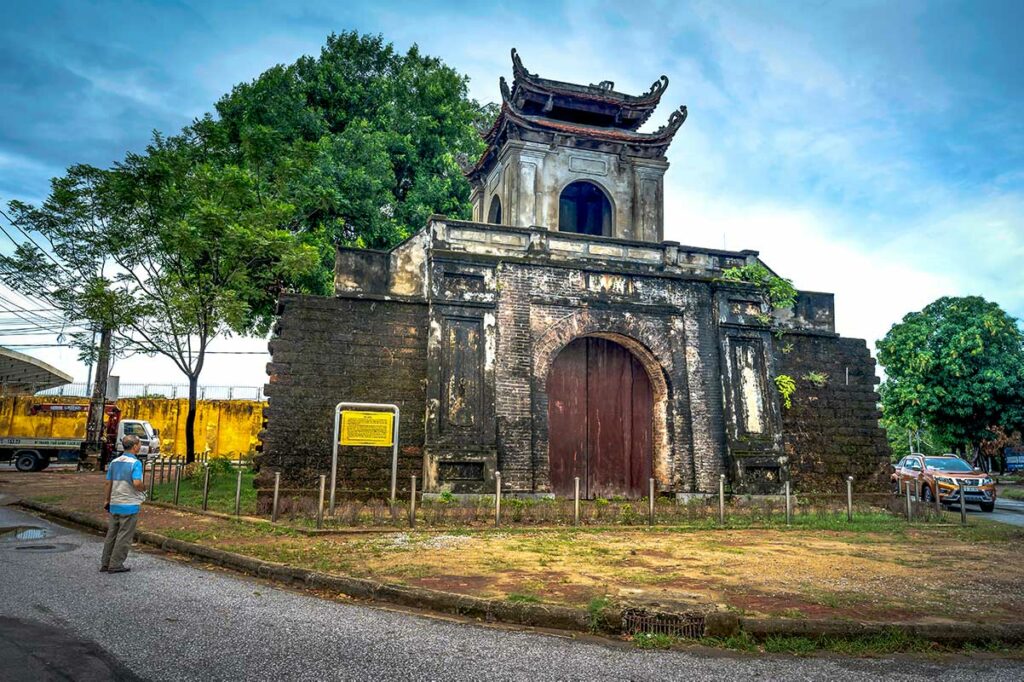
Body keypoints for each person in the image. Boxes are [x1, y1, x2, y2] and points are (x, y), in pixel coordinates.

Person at [101, 434, 147, 573]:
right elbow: (137, 482)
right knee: (124, 536)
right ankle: (116, 564)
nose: (140, 446)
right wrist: (144, 489)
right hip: (129, 504)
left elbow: (108, 482)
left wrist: (107, 500)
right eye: (139, 444)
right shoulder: (135, 463)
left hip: (115, 502)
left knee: (112, 534)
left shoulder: (114, 462)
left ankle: (105, 562)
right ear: (134, 446)